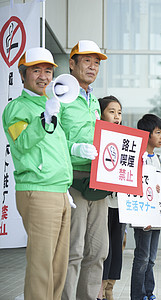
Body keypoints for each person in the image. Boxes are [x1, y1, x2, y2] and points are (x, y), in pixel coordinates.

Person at [2, 47, 73, 299]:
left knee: (57, 268)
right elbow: (21, 143)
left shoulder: (52, 105)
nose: (43, 76)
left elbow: (56, 148)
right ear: (23, 75)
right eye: (36, 70)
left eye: (48, 71)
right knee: (41, 267)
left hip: (60, 192)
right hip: (38, 191)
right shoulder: (17, 109)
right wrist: (44, 118)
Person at [61, 40, 109, 300]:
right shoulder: (60, 96)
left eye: (97, 62)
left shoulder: (94, 101)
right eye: (87, 60)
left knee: (97, 251)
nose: (92, 67)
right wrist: (75, 149)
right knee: (73, 251)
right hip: (72, 182)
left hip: (98, 181)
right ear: (72, 63)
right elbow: (51, 140)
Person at [131, 114, 161, 300]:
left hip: (157, 216)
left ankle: (149, 292)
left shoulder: (158, 158)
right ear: (146, 134)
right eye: (158, 132)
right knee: (142, 258)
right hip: (143, 215)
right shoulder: (138, 158)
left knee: (151, 259)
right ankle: (138, 295)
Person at [96, 96, 126, 300]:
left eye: (119, 112)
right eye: (111, 111)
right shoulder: (95, 136)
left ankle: (109, 290)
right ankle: (98, 291)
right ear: (100, 113)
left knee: (117, 248)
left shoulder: (126, 140)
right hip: (101, 202)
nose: (116, 116)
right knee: (102, 248)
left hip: (120, 204)